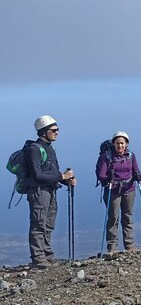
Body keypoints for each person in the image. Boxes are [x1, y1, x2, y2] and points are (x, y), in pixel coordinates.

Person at [25, 115, 76, 268]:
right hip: (39, 192)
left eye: (57, 129)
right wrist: (62, 176)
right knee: (39, 224)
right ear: (43, 132)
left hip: (50, 191)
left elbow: (52, 173)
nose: (57, 132)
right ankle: (38, 259)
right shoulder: (34, 150)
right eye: (54, 130)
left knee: (48, 224)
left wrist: (66, 181)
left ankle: (47, 254)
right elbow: (38, 175)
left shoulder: (49, 148)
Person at [97, 131, 141, 253]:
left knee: (127, 217)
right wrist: (108, 180)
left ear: (126, 144)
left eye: (122, 143)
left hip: (129, 189)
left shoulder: (131, 156)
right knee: (113, 218)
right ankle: (112, 248)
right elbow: (101, 174)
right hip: (113, 190)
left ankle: (129, 246)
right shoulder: (107, 157)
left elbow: (136, 170)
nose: (120, 146)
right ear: (113, 144)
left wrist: (138, 175)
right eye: (117, 143)